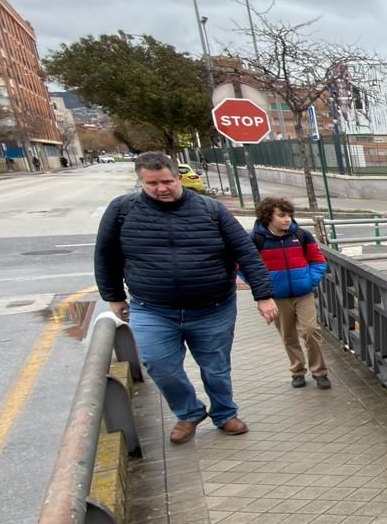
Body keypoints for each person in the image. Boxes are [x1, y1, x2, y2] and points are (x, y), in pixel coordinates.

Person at [94, 151, 278, 444]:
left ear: (177, 177)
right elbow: (106, 256)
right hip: (152, 308)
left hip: (212, 308)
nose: (161, 188)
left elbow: (245, 252)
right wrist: (114, 296)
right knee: (159, 365)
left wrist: (263, 295)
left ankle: (224, 413)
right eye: (152, 183)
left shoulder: (210, 209)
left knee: (216, 367)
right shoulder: (122, 211)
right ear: (141, 181)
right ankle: (189, 412)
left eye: (166, 181)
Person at [252, 196, 331, 389]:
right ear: (268, 216)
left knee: (310, 330)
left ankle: (319, 371)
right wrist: (263, 288)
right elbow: (243, 266)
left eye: (289, 215)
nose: (287, 219)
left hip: (303, 294)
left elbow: (319, 260)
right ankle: (297, 371)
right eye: (281, 215)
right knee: (288, 336)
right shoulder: (256, 239)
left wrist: (309, 281)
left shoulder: (302, 235)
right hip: (276, 297)